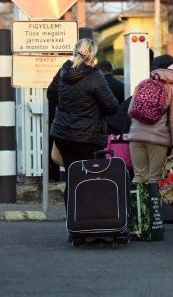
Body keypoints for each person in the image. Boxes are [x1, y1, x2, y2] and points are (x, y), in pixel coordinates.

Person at [47, 39, 119, 205]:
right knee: (89, 179)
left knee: (72, 177)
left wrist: (67, 105)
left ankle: (72, 221)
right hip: (87, 137)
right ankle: (87, 222)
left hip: (63, 135)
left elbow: (51, 95)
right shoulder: (95, 76)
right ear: (92, 56)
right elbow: (112, 106)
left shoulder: (64, 71)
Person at [126, 55, 173, 184]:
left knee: (139, 177)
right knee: (154, 178)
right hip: (158, 139)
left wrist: (137, 128)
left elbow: (130, 110)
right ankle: (153, 204)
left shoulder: (144, 83)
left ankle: (139, 204)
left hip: (136, 136)